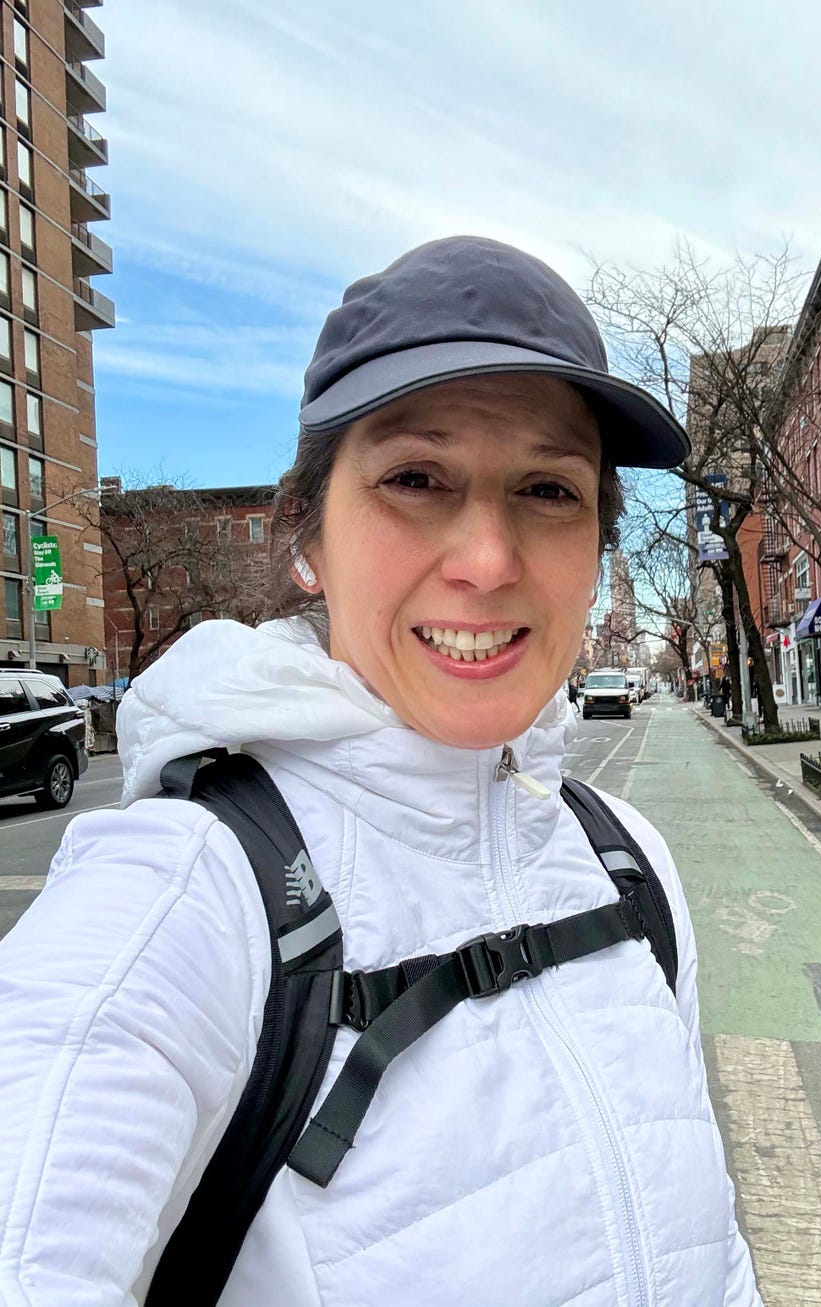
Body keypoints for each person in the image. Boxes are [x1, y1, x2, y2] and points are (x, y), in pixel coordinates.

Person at [0, 236, 762, 1306]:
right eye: (414, 478)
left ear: (596, 549)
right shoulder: (183, 896)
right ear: (305, 537)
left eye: (548, 488)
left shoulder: (628, 865)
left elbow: (715, 1262)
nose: (487, 559)